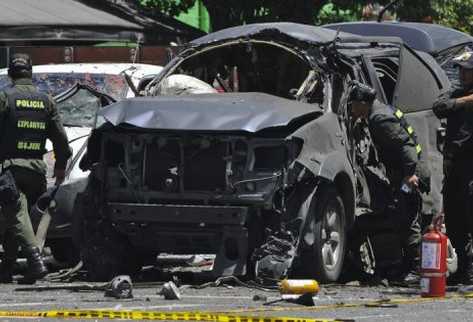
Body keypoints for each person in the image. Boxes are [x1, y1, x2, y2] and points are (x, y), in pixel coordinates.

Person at [0, 53, 71, 284]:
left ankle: (35, 261)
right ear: (30, 74)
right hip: (37, 171)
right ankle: (7, 267)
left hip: (10, 168)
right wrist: (60, 166)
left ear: (11, 74)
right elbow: (61, 139)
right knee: (17, 217)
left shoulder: (4, 97)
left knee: (15, 213)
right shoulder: (46, 100)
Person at [349, 81, 428, 282]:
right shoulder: (379, 111)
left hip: (409, 174)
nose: (352, 108)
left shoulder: (379, 118)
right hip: (404, 171)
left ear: (362, 103)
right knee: (402, 216)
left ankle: (417, 268)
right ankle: (407, 265)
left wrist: (410, 175)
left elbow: (406, 146)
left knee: (407, 217)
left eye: (353, 105)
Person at [433, 51, 473, 285]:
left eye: (467, 70)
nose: (462, 74)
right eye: (461, 69)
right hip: (455, 166)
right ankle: (464, 270)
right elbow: (439, 106)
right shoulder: (458, 94)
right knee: (456, 218)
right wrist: (466, 101)